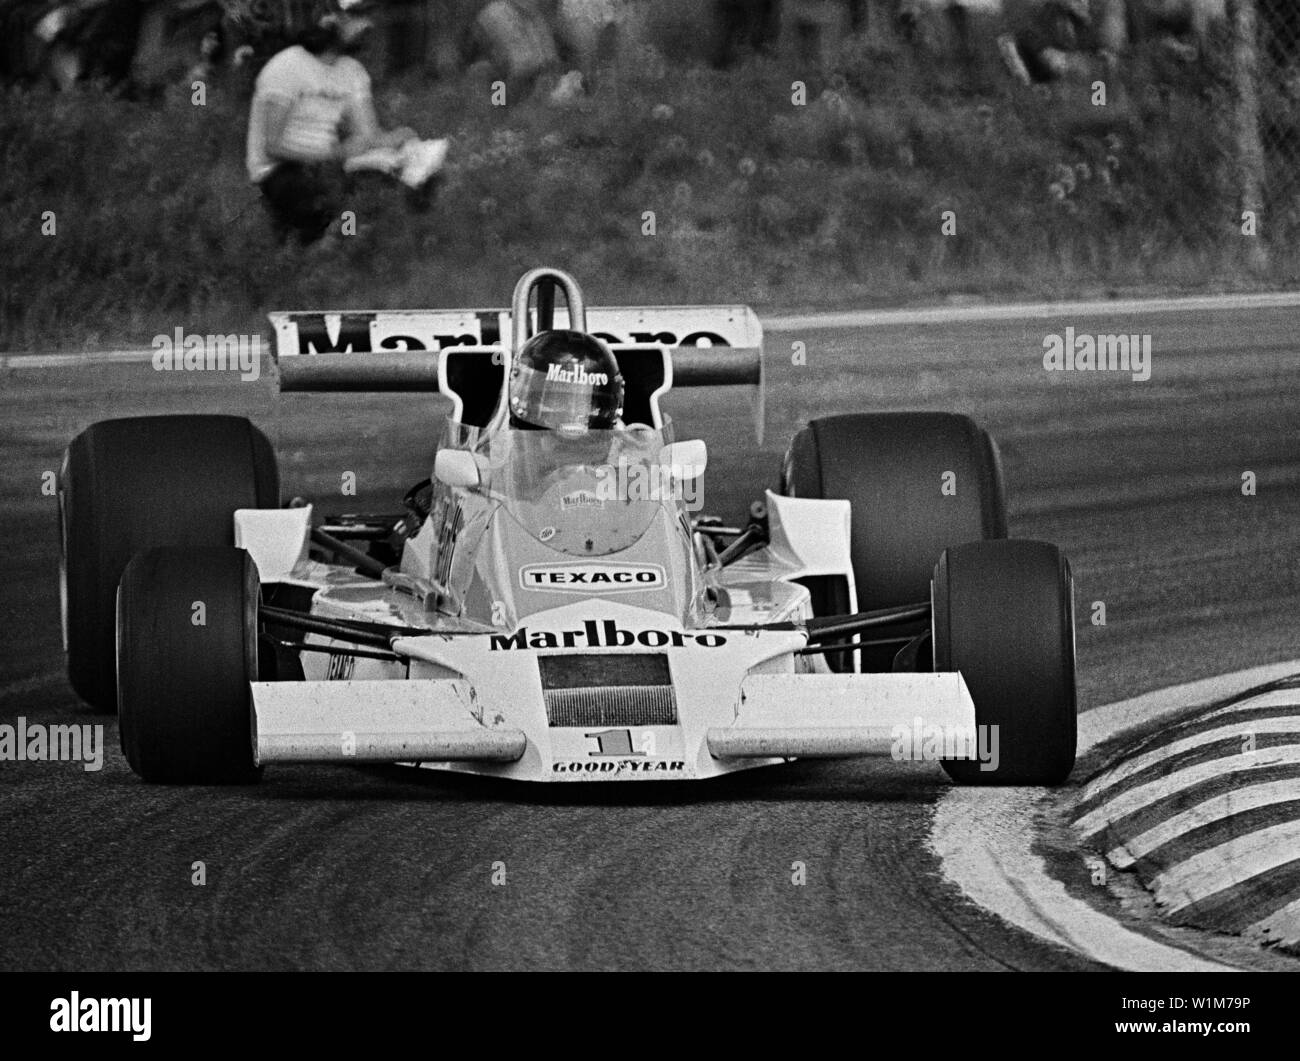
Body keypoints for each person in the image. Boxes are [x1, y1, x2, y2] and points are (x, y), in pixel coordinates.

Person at [245, 0, 447, 245]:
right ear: (332, 19)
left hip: (329, 164)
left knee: (415, 178)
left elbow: (369, 135)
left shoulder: (352, 72)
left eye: (370, 14)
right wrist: (336, 153)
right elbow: (272, 147)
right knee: (322, 205)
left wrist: (400, 139)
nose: (368, 25)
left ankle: (413, 240)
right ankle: (323, 244)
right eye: (359, 15)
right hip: (282, 172)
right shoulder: (287, 66)